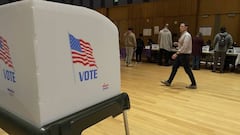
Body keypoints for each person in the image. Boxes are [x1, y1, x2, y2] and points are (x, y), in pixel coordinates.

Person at [161, 22, 197, 89]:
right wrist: (177, 43)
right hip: (181, 55)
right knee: (174, 67)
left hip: (184, 55)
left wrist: (176, 54)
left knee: (187, 70)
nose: (180, 28)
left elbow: (185, 47)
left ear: (186, 27)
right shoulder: (183, 35)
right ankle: (169, 81)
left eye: (182, 26)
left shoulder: (187, 35)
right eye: (180, 26)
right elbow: (182, 44)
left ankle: (194, 84)